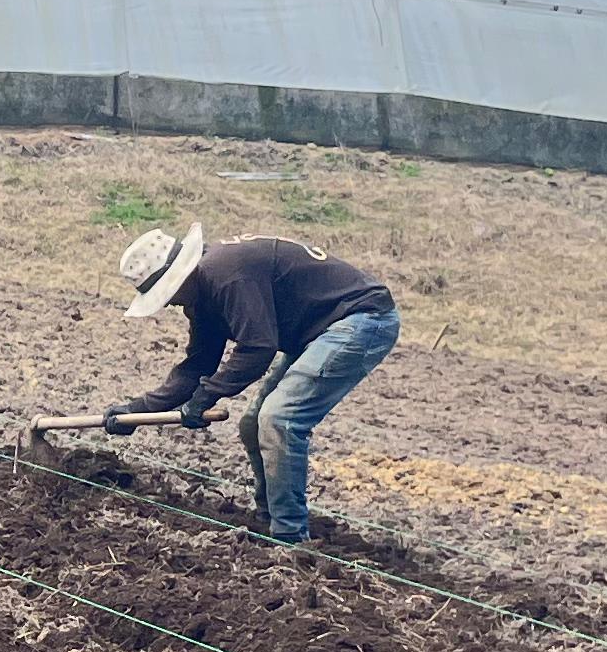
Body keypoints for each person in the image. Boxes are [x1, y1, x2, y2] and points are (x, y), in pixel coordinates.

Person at [105, 222, 399, 545]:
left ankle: (290, 538)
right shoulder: (204, 294)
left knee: (279, 420)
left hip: (361, 318)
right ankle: (269, 514)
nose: (171, 304)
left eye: (168, 294)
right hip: (318, 331)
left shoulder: (226, 275)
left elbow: (259, 348)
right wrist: (136, 410)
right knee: (251, 424)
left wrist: (208, 394)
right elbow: (196, 367)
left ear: (180, 274)